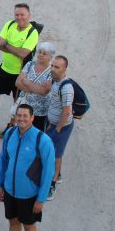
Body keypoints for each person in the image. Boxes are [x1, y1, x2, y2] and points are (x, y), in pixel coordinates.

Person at [0, 3, 40, 132]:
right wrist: (16, 50)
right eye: (17, 14)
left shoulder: (33, 33)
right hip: (4, 68)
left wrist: (6, 44)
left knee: (17, 101)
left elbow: (23, 54)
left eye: (22, 14)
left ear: (29, 15)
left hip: (20, 73)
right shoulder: (9, 24)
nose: (19, 17)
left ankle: (11, 125)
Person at [44, 55, 76, 201]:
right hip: (53, 124)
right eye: (52, 65)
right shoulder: (54, 81)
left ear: (64, 69)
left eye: (57, 67)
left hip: (62, 127)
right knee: (52, 152)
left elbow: (67, 112)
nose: (52, 69)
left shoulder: (66, 87)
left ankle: (53, 183)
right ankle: (57, 174)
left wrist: (57, 129)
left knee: (56, 155)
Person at [14, 42, 57, 132]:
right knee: (21, 132)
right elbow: (18, 83)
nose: (40, 54)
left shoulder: (51, 71)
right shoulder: (30, 64)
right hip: (24, 108)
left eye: (44, 53)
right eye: (39, 52)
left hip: (39, 113)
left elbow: (44, 91)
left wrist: (27, 82)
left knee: (35, 135)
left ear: (50, 57)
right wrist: (36, 88)